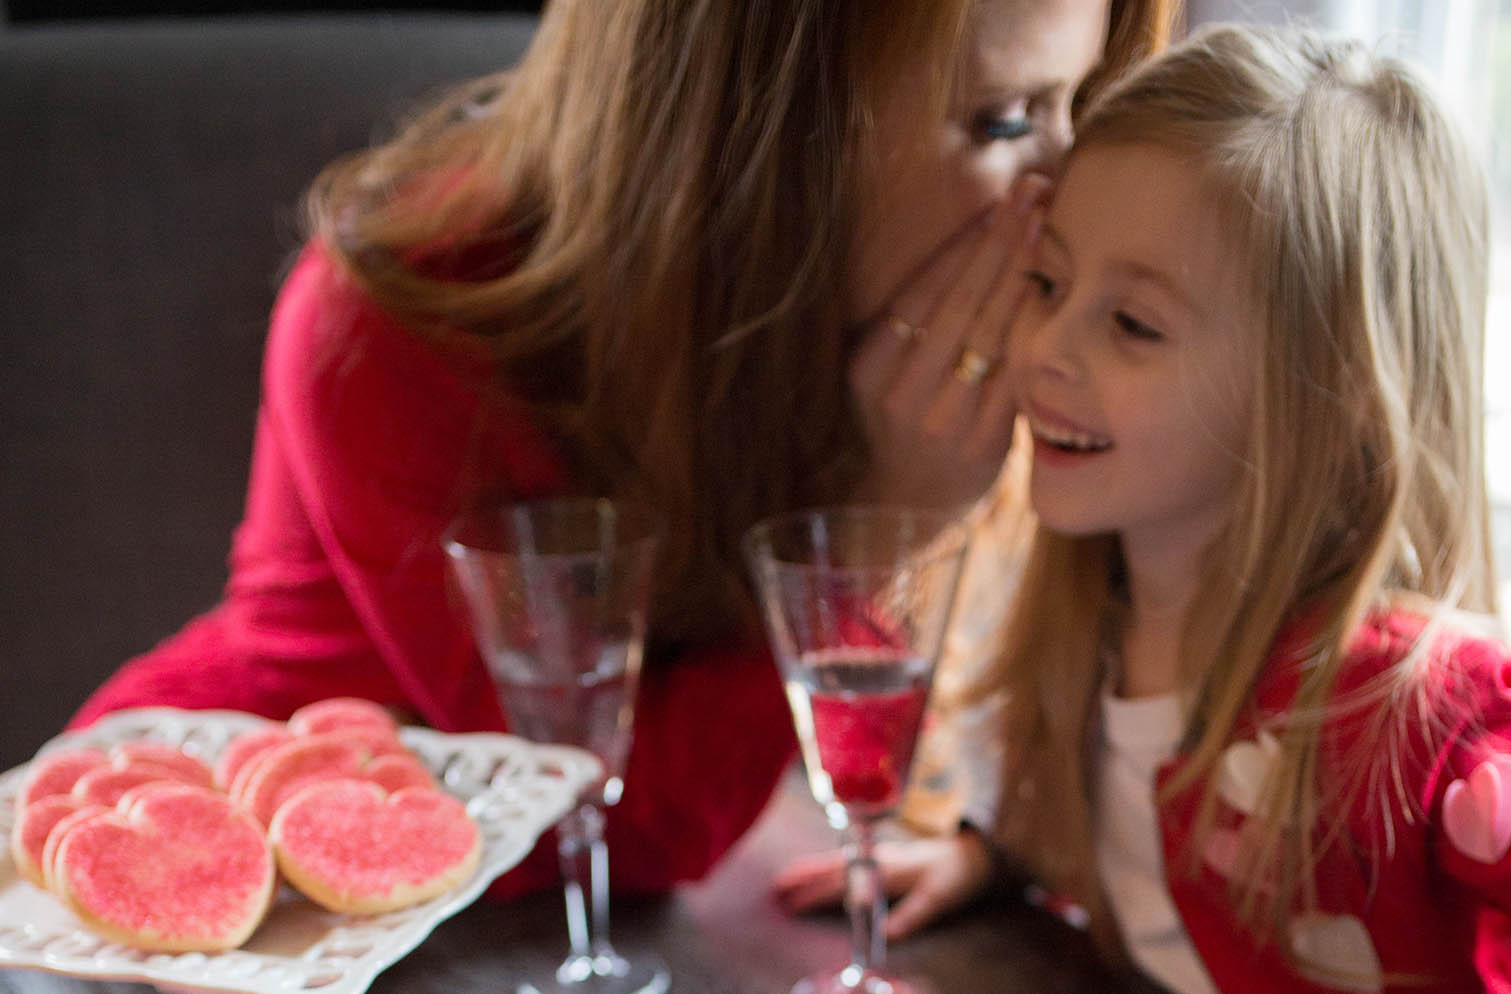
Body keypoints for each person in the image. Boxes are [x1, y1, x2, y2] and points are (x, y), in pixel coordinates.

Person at [69, 0, 1169, 897]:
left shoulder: (913, 301)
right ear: (758, 133)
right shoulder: (387, 322)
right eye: (1003, 121)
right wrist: (882, 521)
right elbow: (605, 825)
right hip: (212, 862)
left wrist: (995, 842)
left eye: (1078, 105)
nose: (1059, 182)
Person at [809, 25, 1511, 994]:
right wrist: (1005, 859)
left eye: (1131, 323)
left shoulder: (1428, 708)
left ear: (1321, 402)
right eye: (1047, 281)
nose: (1044, 349)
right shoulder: (1092, 604)